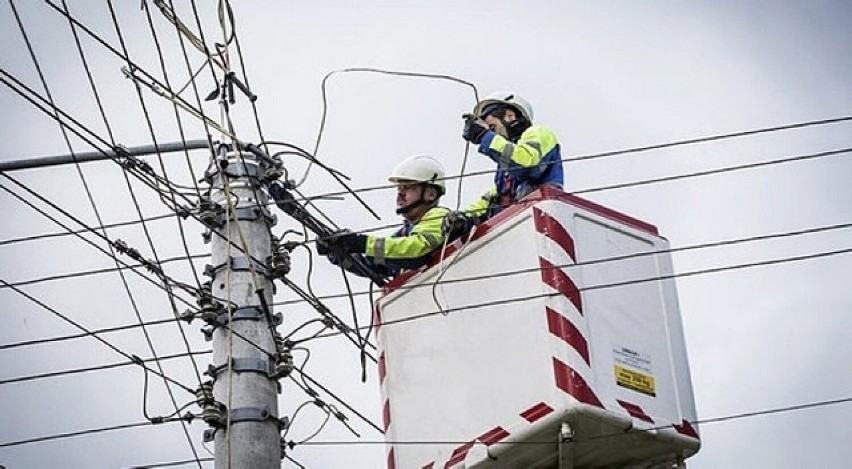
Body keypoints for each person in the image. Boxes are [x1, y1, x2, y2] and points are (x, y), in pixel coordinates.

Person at [444, 92, 564, 236]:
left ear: (509, 116)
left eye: (492, 128)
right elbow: (490, 201)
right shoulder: (505, 171)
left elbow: (526, 164)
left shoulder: (538, 133)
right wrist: (462, 220)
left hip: (541, 224)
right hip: (517, 230)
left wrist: (484, 136)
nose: (490, 133)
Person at [318, 155, 450, 279]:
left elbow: (416, 251)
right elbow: (375, 264)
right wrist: (338, 253)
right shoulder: (404, 233)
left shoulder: (439, 216)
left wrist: (361, 243)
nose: (400, 194)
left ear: (431, 194)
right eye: (399, 188)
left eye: (407, 187)